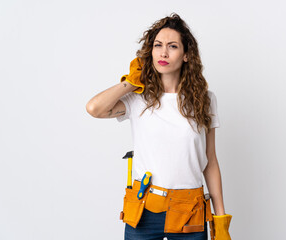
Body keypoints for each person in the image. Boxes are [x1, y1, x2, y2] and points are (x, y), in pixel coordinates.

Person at [86, 12, 232, 240]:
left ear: (186, 55)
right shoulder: (137, 98)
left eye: (172, 46)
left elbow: (210, 161)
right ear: (150, 52)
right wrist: (131, 82)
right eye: (158, 45)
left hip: (189, 211)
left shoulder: (205, 99)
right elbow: (95, 108)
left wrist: (220, 220)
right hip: (144, 209)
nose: (163, 52)